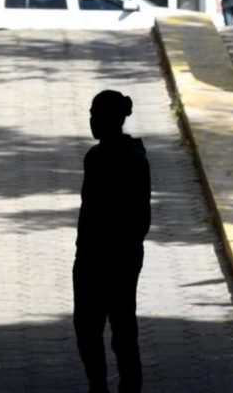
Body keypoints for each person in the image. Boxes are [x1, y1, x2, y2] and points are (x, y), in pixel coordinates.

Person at [74, 90, 151, 393]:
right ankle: (126, 387)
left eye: (95, 114)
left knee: (93, 329)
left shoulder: (103, 159)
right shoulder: (133, 156)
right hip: (122, 257)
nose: (91, 120)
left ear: (107, 119)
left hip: (103, 258)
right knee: (121, 328)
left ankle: (102, 386)